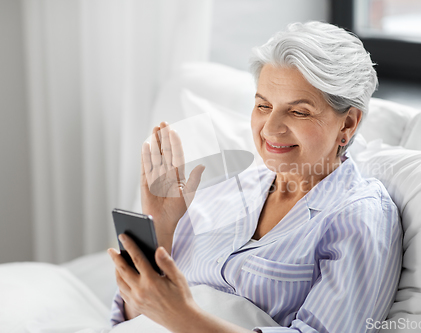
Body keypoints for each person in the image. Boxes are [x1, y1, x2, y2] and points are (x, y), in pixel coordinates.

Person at [108, 21, 402, 333]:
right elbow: (131, 316)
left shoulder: (358, 217)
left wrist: (182, 316)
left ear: (347, 124)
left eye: (298, 112)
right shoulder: (224, 189)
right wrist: (163, 229)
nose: (271, 128)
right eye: (263, 105)